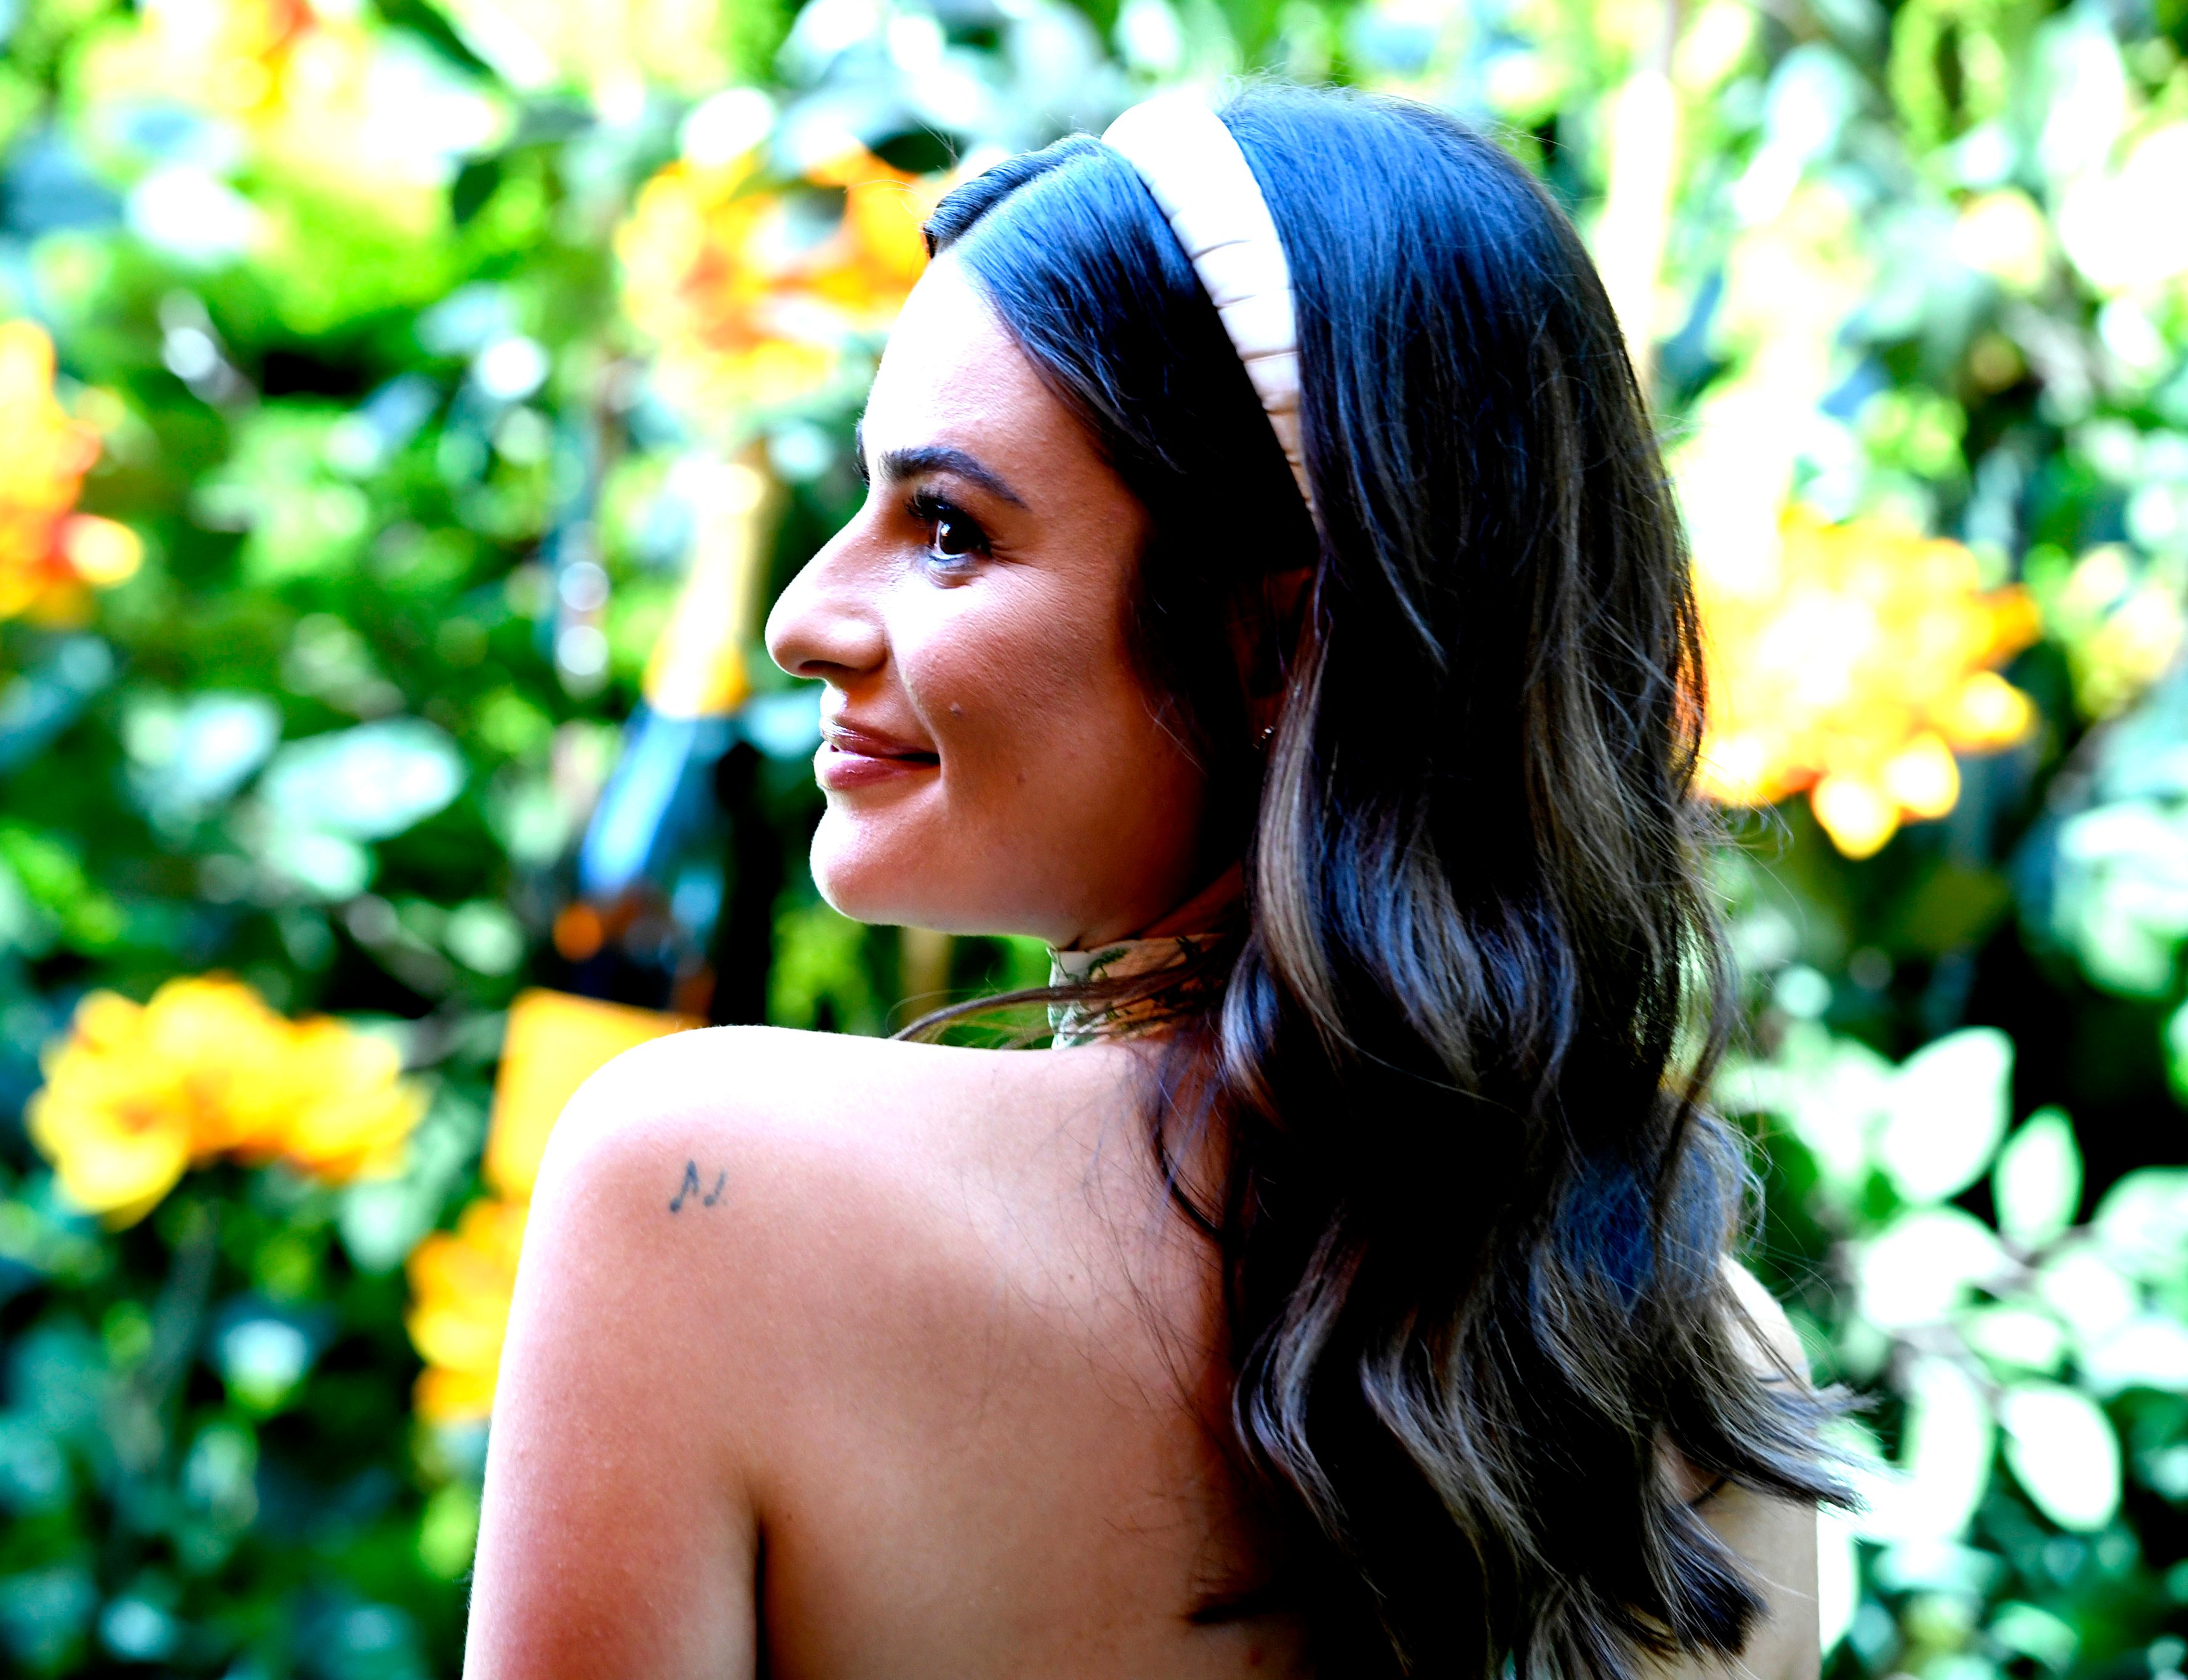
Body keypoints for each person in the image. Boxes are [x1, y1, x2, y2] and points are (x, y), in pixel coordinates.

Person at [461, 82, 1848, 1680]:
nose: (802, 618)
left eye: (948, 528)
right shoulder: (1701, 1373)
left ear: (1276, 638)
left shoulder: (699, 1193)